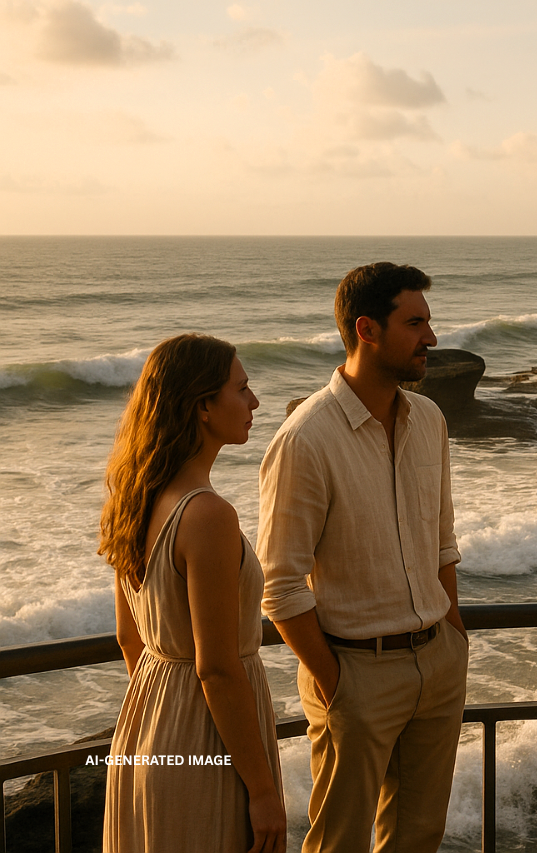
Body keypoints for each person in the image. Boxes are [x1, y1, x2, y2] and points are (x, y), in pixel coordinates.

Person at [258, 262, 468, 853]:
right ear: (367, 329)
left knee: (419, 836)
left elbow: (442, 542)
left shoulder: (428, 420)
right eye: (416, 322)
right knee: (339, 844)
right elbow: (280, 584)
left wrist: (453, 635)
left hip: (437, 659)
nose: (431, 337)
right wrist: (336, 681)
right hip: (356, 671)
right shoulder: (306, 438)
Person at [99, 334, 286, 853]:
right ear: (203, 405)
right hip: (210, 739)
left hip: (148, 725)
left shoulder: (133, 498)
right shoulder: (207, 514)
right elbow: (217, 667)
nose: (254, 402)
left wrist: (167, 720)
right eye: (242, 388)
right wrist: (264, 790)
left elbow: (128, 638)